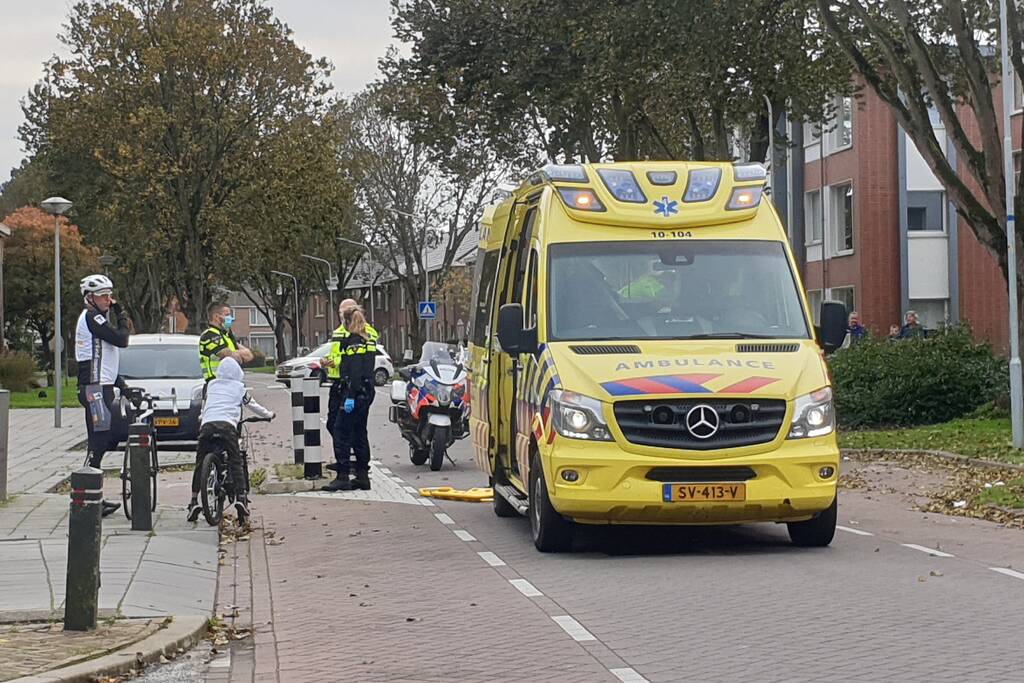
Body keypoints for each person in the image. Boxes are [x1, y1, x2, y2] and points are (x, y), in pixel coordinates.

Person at [186, 357, 274, 522]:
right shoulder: (239, 388)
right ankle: (240, 497)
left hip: (207, 425)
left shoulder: (211, 385)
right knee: (235, 461)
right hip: (227, 426)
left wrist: (202, 417)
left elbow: (206, 406)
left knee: (200, 462)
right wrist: (268, 415)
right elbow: (253, 405)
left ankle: (193, 501)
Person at [74, 274, 131, 517]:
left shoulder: (97, 317)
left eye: (110, 295)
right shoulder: (91, 317)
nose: (109, 299)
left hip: (103, 386)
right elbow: (122, 339)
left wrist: (120, 383)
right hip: (94, 389)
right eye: (103, 296)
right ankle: (85, 496)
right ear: (90, 298)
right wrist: (121, 313)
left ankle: (91, 493)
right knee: (101, 439)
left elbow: (104, 358)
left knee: (111, 435)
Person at [322, 298, 380, 475]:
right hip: (341, 383)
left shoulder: (361, 334)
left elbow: (355, 363)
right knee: (338, 425)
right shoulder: (340, 332)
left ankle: (349, 466)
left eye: (343, 312)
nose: (341, 315)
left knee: (347, 428)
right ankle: (350, 463)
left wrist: (334, 363)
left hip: (351, 386)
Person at [199, 302, 252, 383]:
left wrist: (238, 353)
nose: (230, 318)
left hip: (232, 384)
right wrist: (239, 354)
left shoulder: (226, 336)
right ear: (216, 317)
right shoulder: (209, 335)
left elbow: (249, 356)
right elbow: (233, 357)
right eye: (227, 315)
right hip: (216, 385)